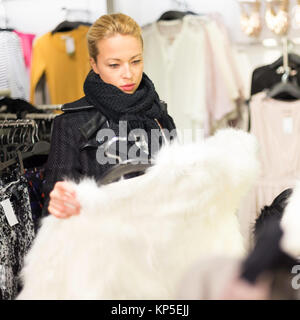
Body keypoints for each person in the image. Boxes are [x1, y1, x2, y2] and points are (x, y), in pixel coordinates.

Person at [42, 13, 176, 220]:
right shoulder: (71, 124)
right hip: (106, 242)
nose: (128, 74)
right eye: (114, 65)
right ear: (94, 65)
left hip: (162, 238)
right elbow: (55, 214)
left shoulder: (159, 114)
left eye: (136, 61)